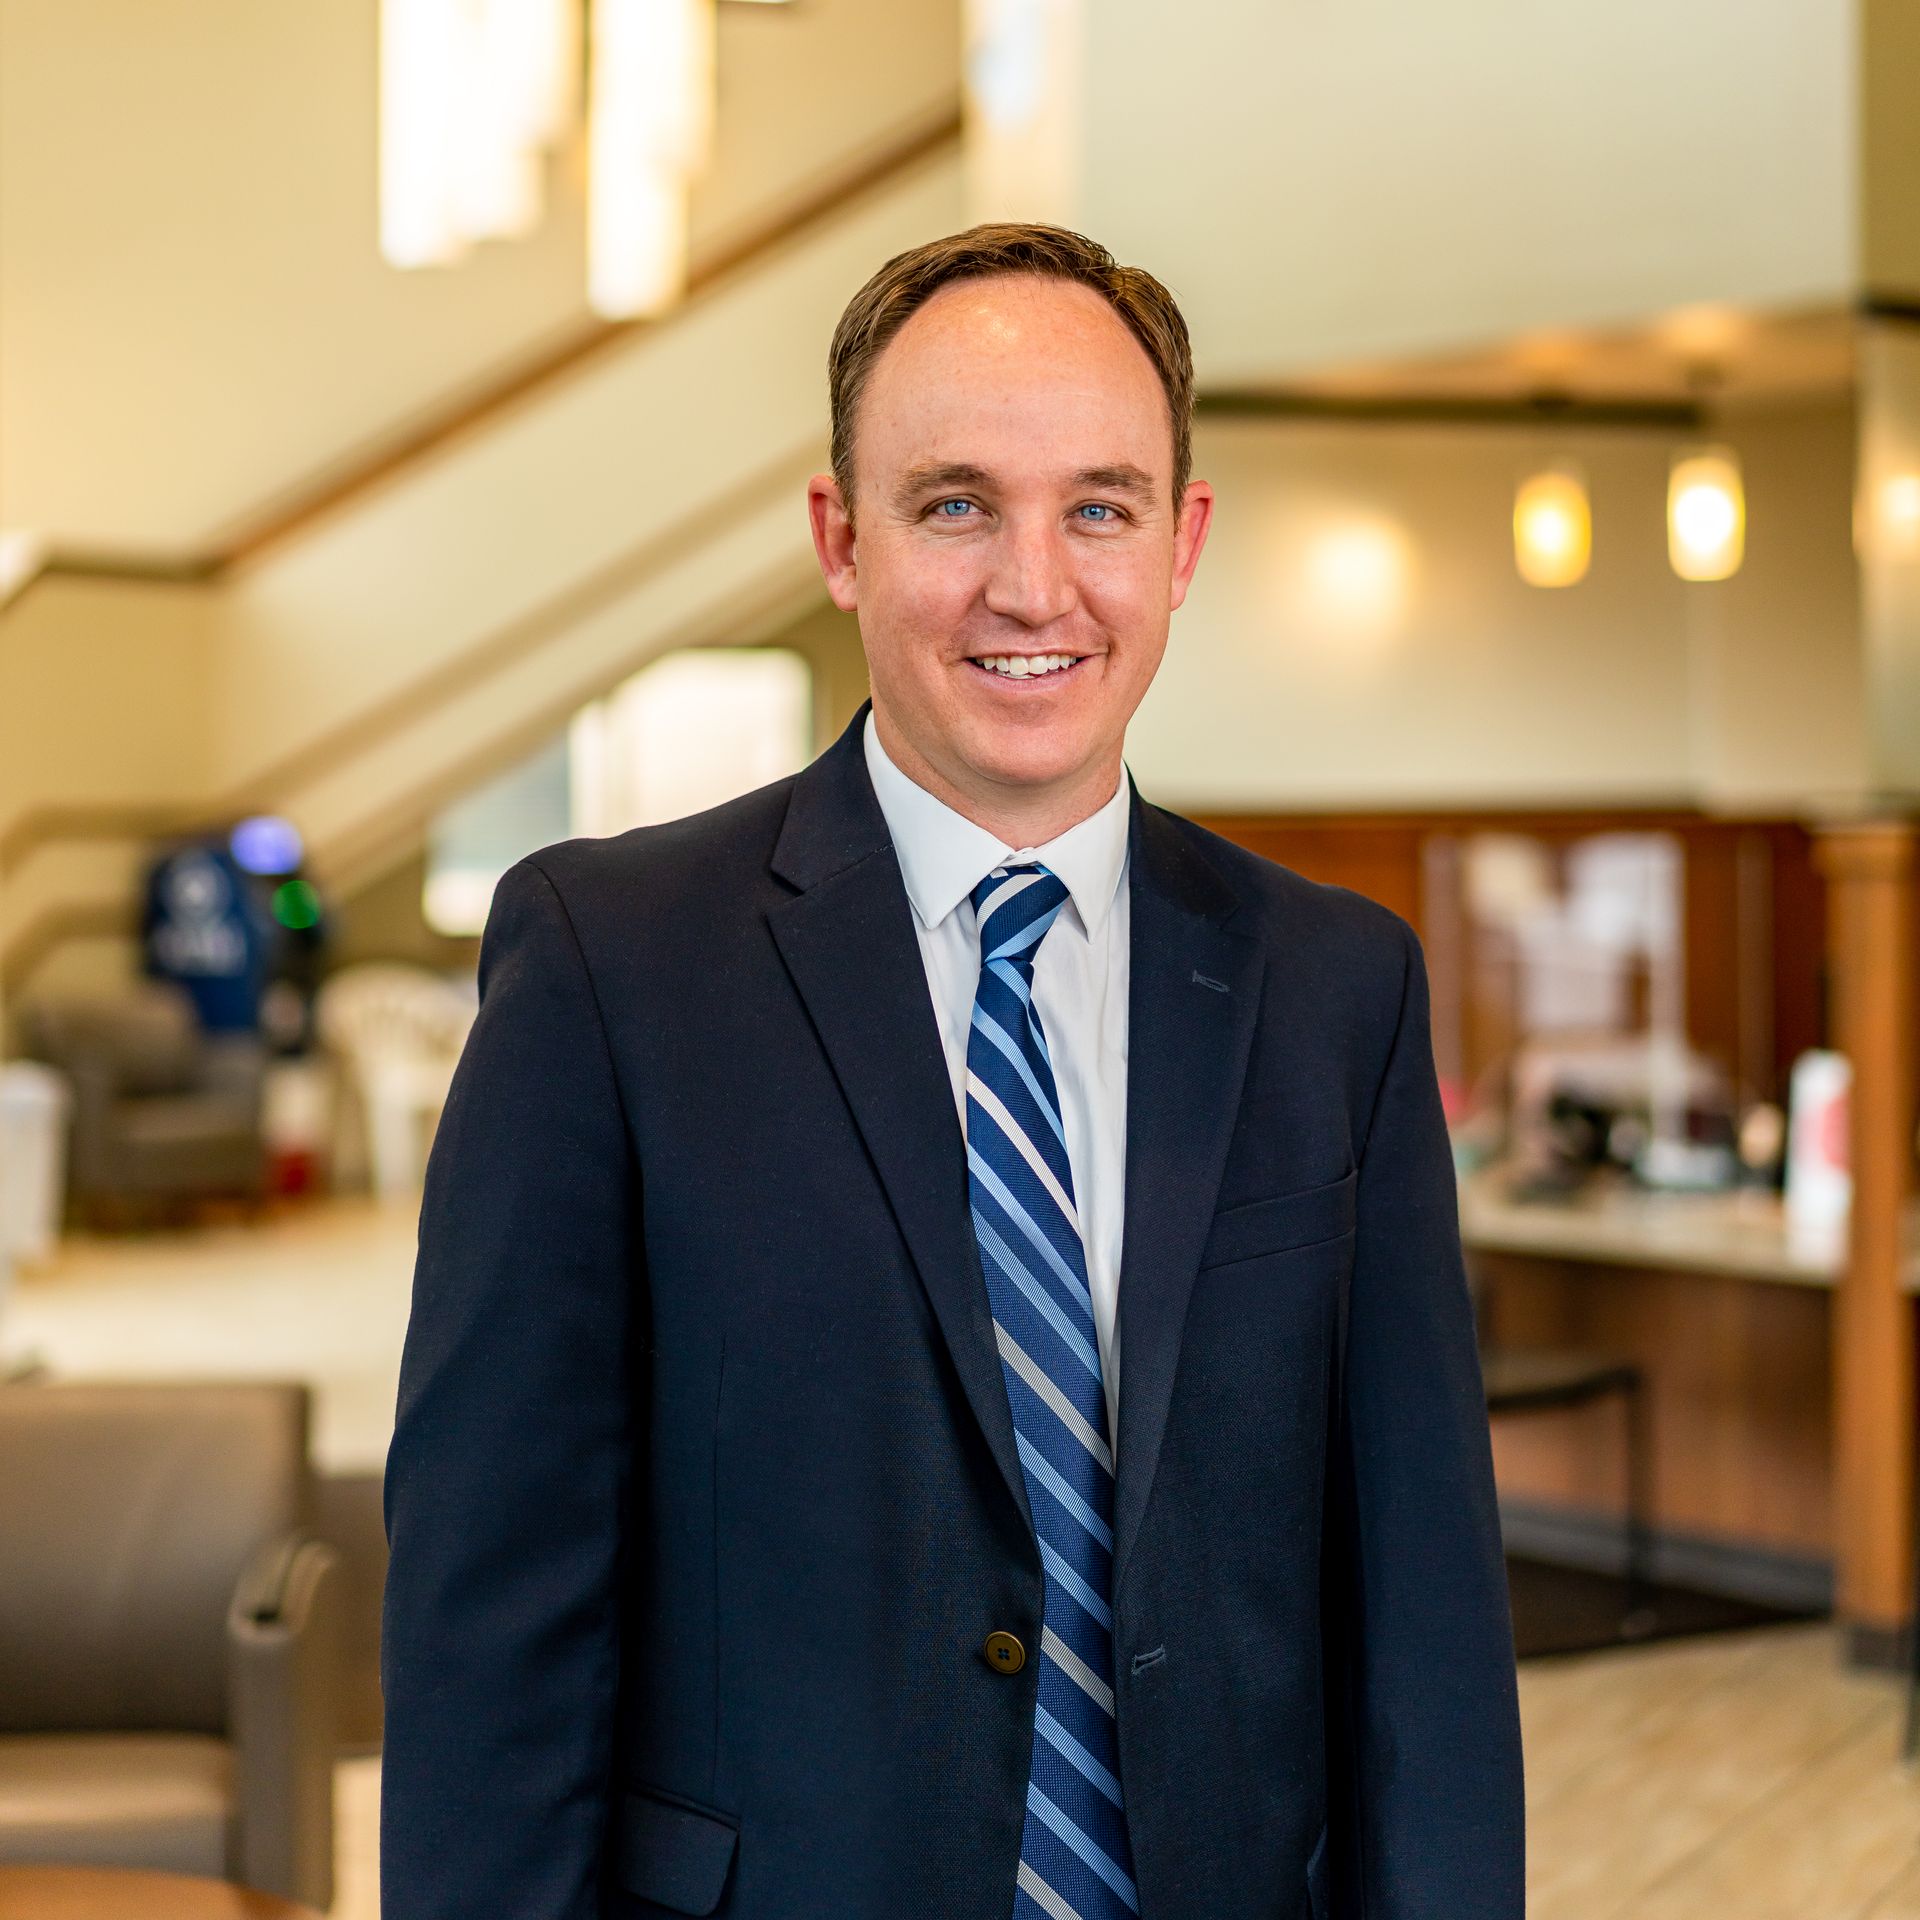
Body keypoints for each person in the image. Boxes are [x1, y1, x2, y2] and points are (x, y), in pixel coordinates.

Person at [380, 222, 1524, 1920]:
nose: (1034, 586)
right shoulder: (611, 967)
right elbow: (492, 1620)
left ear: (1183, 543)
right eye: (957, 503)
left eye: (1100, 507)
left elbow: (1422, 1621)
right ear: (842, 540)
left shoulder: (1334, 988)